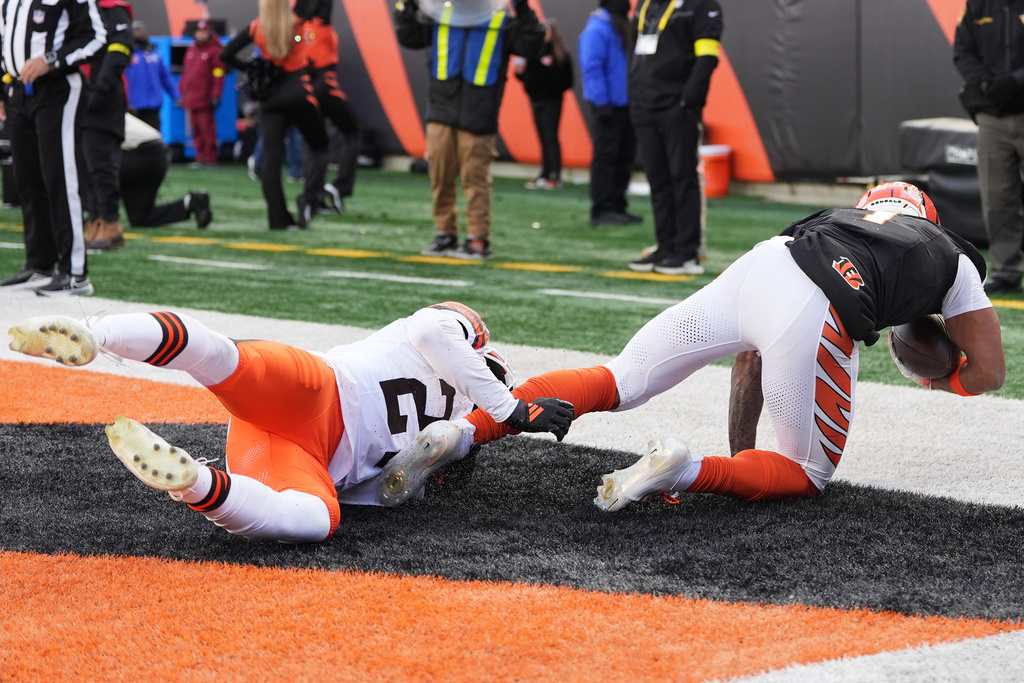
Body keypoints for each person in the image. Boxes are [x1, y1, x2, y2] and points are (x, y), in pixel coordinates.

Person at [379, 183, 1006, 513]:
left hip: (766, 265)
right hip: (820, 307)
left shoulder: (839, 215)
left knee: (619, 378)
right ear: (926, 215)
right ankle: (681, 468)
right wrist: (933, 376)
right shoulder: (950, 255)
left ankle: (464, 432)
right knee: (808, 474)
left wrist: (746, 452)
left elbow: (749, 358)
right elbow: (990, 374)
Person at [8, 302, 574, 543]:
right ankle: (94, 334)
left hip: (310, 457)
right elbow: (437, 333)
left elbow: (402, 477)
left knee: (318, 519)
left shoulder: (460, 417)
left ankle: (197, 482)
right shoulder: (435, 334)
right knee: (220, 356)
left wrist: (471, 435)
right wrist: (511, 409)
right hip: (317, 392)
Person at [395, 0, 545, 259]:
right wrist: (405, 5)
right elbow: (408, 35)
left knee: (475, 181)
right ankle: (445, 234)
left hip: (479, 116)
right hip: (441, 111)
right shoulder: (439, 15)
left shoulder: (501, 20)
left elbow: (532, 44)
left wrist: (522, 8)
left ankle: (478, 239)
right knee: (440, 177)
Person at [0, 0, 106, 296]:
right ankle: (39, 264)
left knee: (61, 177)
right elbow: (3, 38)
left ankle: (75, 273)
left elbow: (96, 37)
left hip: (58, 88)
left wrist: (50, 59)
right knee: (26, 178)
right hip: (18, 92)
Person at [626, 0, 722, 276]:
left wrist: (689, 101)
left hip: (677, 108)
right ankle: (666, 246)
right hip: (644, 106)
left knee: (683, 179)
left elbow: (707, 57)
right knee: (658, 180)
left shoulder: (700, 5)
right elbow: (634, 53)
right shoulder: (645, 5)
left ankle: (687, 252)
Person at [220, 0, 331, 231]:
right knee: (319, 146)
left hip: (270, 97)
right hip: (298, 92)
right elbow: (304, 24)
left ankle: (278, 219)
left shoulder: (257, 28)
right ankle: (309, 199)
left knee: (271, 158)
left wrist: (250, 68)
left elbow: (226, 54)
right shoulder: (297, 24)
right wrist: (298, 39)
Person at [953, 0, 1024, 295]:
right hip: (992, 115)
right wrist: (984, 83)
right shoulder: (977, 5)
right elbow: (963, 50)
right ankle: (1007, 271)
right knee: (998, 199)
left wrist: (1016, 81)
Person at [294, 0, 361, 216]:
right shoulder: (320, 26)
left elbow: (297, 40)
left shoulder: (299, 31)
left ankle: (312, 197)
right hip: (324, 85)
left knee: (315, 142)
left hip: (307, 88)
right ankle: (340, 187)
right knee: (352, 133)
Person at [578, 0, 640, 226]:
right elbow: (591, 68)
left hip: (624, 105)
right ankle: (601, 210)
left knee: (623, 158)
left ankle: (617, 206)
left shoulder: (615, 26)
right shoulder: (597, 29)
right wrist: (601, 102)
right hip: (607, 106)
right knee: (606, 159)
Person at [81, 0, 134, 253]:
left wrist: (101, 87)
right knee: (84, 165)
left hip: (104, 97)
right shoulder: (78, 8)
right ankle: (94, 219)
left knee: (100, 164)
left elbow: (121, 46)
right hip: (80, 95)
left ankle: (110, 223)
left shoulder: (112, 7)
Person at [119, 113, 212, 229]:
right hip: (157, 152)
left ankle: (101, 218)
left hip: (141, 153)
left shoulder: (94, 116)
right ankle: (191, 203)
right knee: (140, 217)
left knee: (96, 170)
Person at [514, 18, 574, 191]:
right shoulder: (534, 53)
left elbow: (567, 81)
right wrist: (520, 74)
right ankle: (545, 173)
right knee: (542, 138)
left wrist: (550, 88)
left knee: (551, 137)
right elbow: (528, 77)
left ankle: (555, 175)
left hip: (552, 101)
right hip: (536, 100)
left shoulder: (560, 54)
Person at [177, 19, 225, 168]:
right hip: (191, 98)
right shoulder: (192, 49)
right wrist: (182, 93)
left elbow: (219, 75)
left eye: (204, 32)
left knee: (207, 129)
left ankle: (210, 157)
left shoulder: (215, 51)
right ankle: (200, 157)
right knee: (196, 129)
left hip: (205, 98)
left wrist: (215, 95)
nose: (201, 35)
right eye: (199, 32)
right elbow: (186, 73)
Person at [124, 20, 180, 131]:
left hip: (153, 106)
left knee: (154, 137)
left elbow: (165, 77)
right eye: (137, 30)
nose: (141, 33)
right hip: (133, 106)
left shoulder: (154, 53)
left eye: (143, 30)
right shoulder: (127, 55)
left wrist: (176, 96)